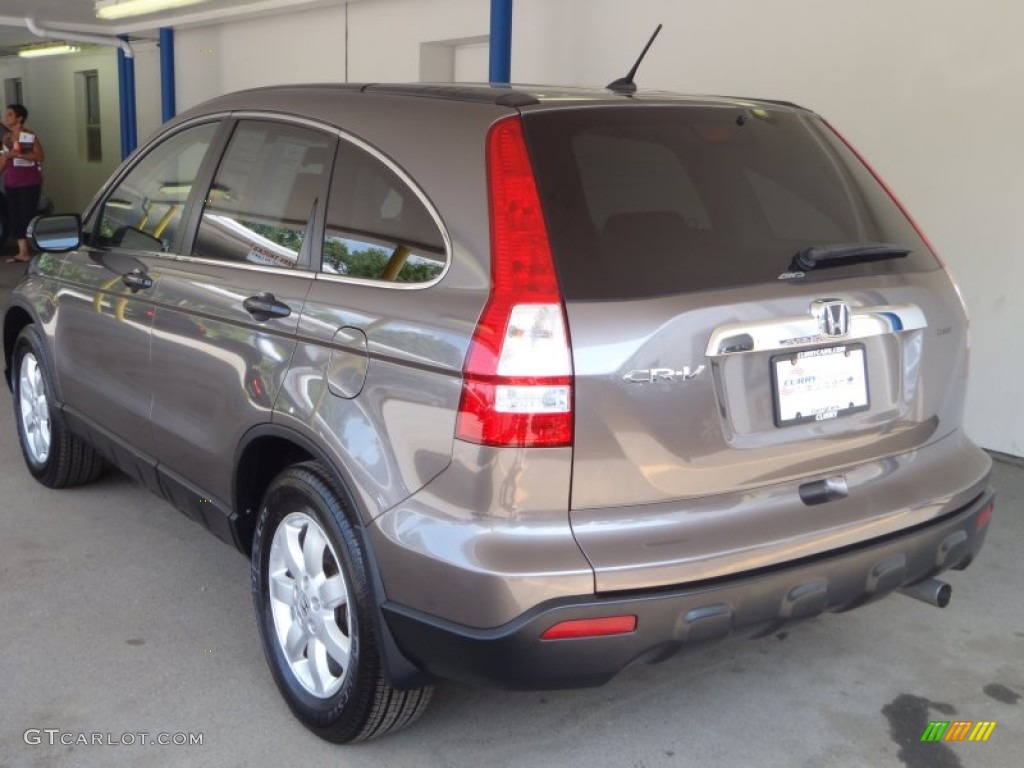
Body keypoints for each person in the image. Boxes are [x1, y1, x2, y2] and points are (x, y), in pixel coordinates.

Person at [1, 103, 45, 264]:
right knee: (15, 216)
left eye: (10, 114)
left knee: (26, 215)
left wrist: (18, 155)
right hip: (11, 182)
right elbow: (3, 160)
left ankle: (34, 246)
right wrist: (7, 157)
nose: (7, 117)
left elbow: (40, 156)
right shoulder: (6, 138)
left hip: (29, 182)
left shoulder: (28, 135)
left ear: (19, 118)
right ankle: (22, 252)